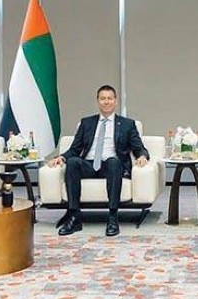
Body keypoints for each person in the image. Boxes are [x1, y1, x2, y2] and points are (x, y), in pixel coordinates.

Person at [47, 85, 149, 237]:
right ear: (98, 101)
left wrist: (142, 156)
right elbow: (74, 149)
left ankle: (112, 218)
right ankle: (74, 217)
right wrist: (61, 157)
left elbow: (139, 148)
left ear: (115, 101)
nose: (106, 102)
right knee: (73, 162)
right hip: (89, 164)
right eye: (103, 99)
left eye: (109, 98)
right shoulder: (86, 123)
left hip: (111, 166)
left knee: (114, 162)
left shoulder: (127, 124)